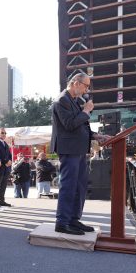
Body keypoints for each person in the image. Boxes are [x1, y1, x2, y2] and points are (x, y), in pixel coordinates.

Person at [50, 73, 108, 235]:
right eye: (86, 86)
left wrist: (96, 135)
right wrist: (86, 111)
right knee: (69, 186)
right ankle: (62, 222)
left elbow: (81, 126)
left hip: (79, 149)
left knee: (80, 186)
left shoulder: (74, 101)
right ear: (76, 83)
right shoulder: (62, 100)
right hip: (69, 150)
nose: (86, 90)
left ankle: (73, 219)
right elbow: (69, 124)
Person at [0, 128, 12, 206]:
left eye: (5, 133)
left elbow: (9, 154)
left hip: (6, 168)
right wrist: (6, 161)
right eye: (2, 133)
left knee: (3, 185)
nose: (4, 134)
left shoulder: (5, 143)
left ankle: (2, 200)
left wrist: (10, 161)